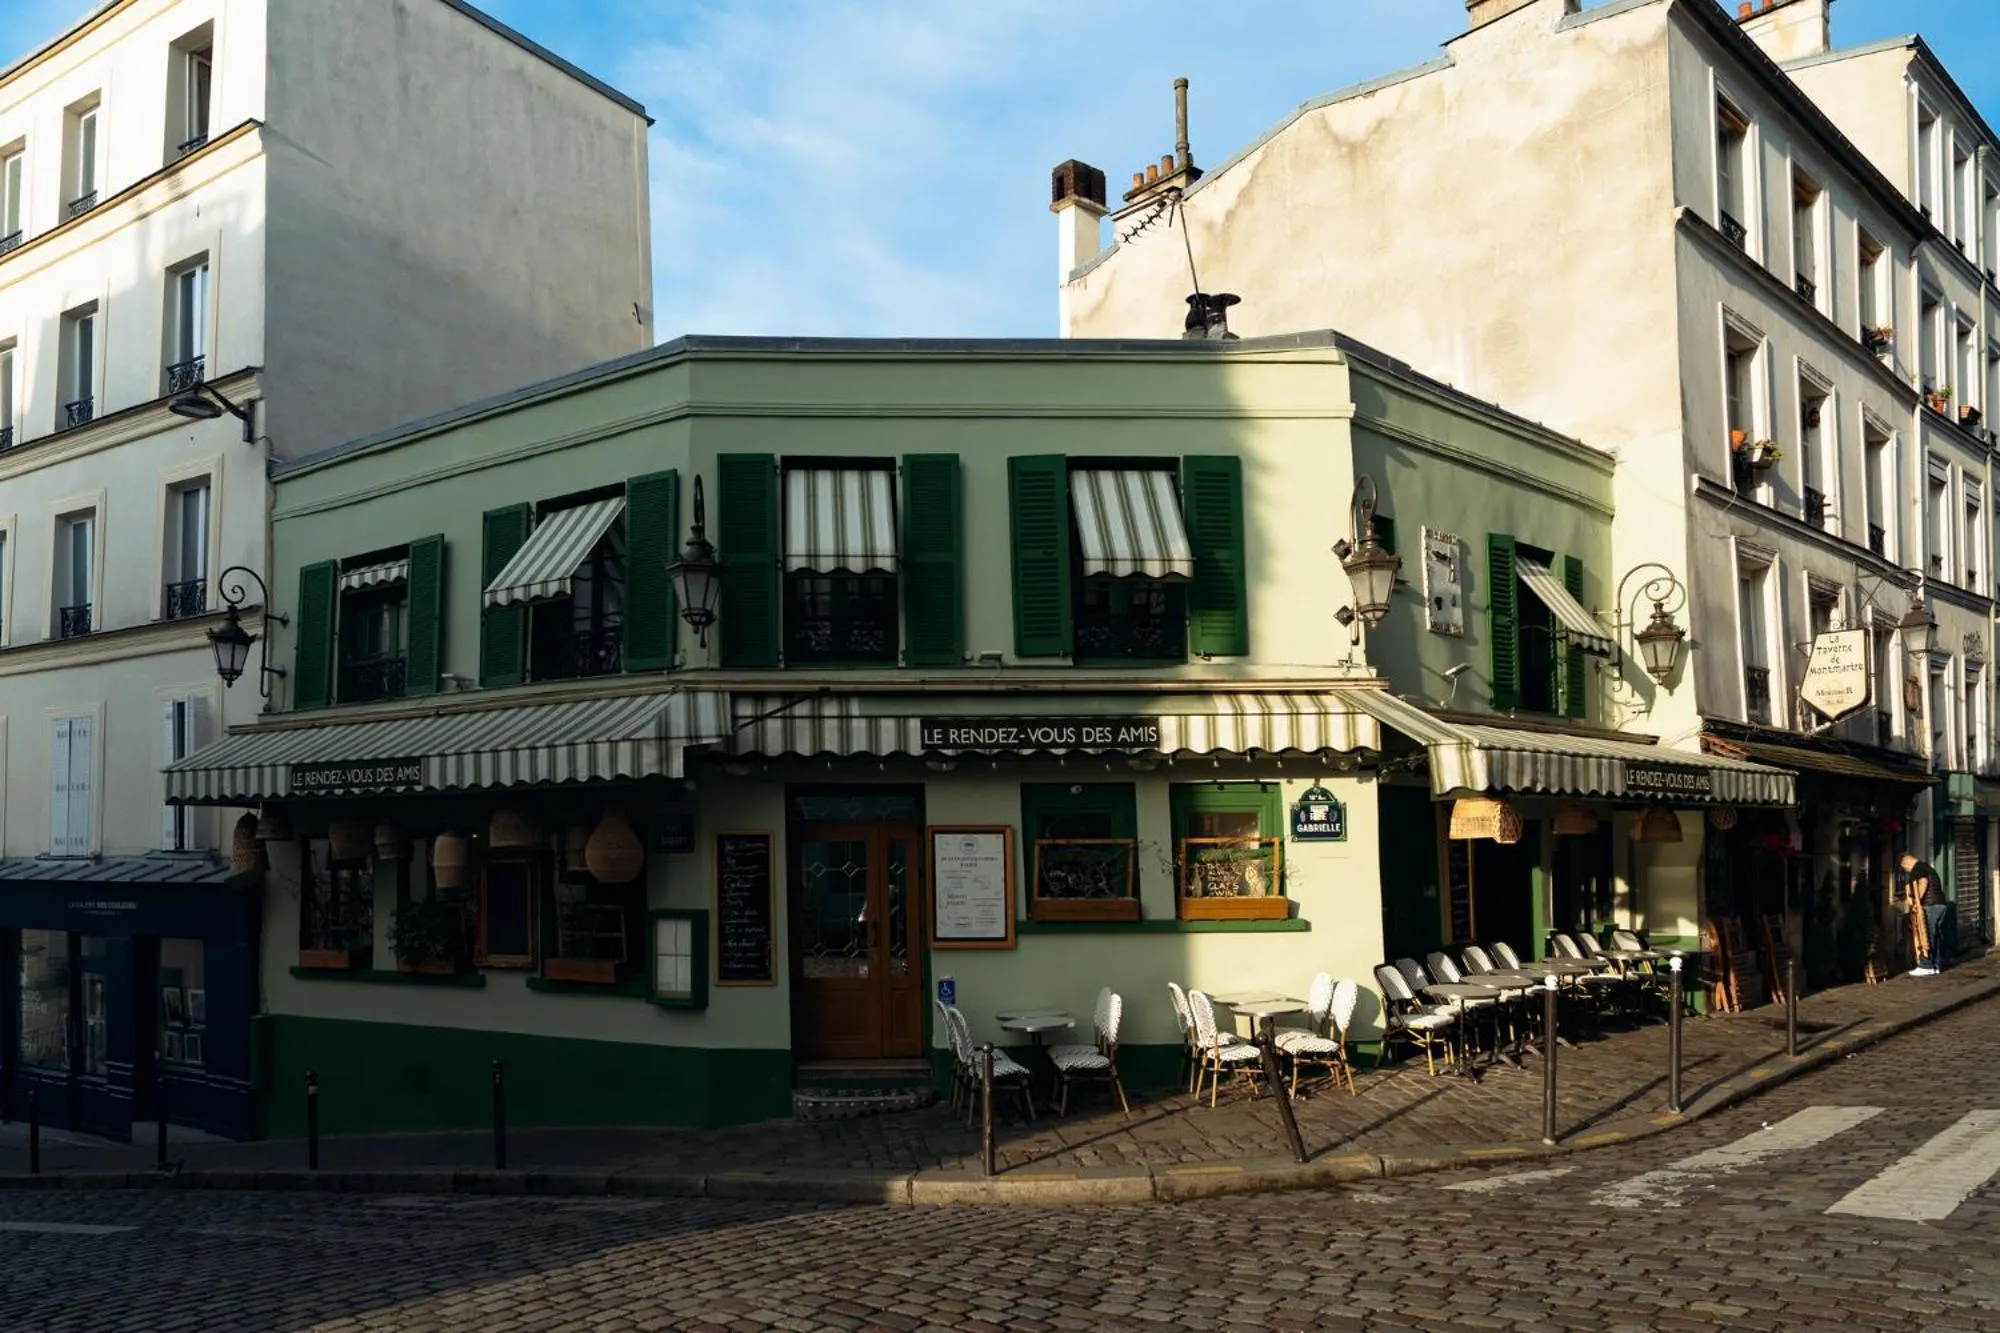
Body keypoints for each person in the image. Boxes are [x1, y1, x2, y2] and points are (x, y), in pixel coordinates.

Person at [1898, 852, 1949, 976]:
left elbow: (1923, 882)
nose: (1906, 870)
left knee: (1925, 934)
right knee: (1934, 935)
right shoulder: (1926, 867)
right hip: (1940, 904)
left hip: (1930, 905)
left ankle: (1925, 965)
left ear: (1906, 863)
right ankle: (1935, 965)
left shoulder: (1918, 868)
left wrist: (1917, 901)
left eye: (1905, 868)